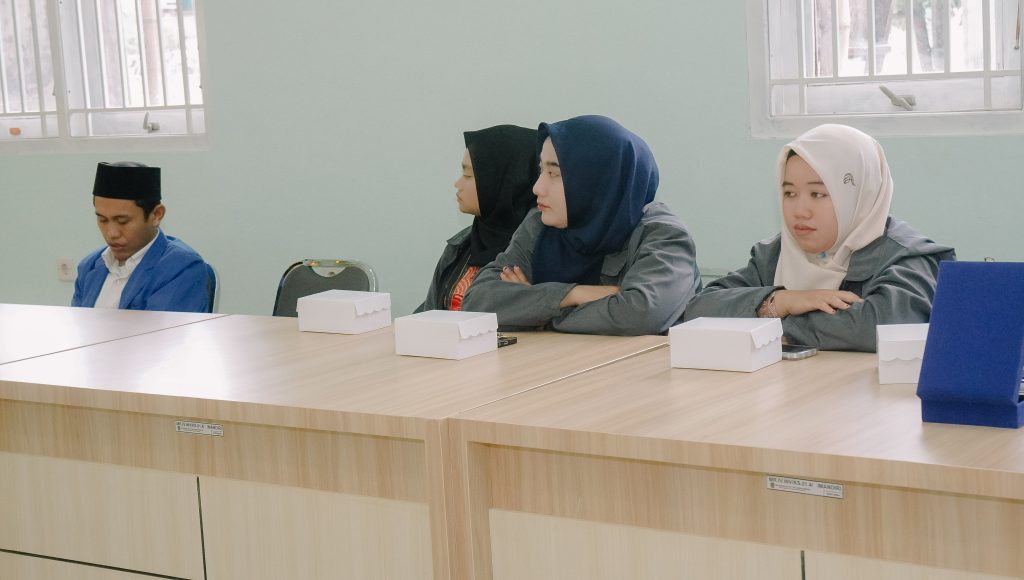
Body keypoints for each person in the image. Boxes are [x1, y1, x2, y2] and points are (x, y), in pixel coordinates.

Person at [684, 124, 955, 352]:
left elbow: (876, 328)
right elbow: (699, 310)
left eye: (818, 194)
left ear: (858, 195)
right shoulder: (776, 254)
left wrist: (773, 323)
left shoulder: (908, 256)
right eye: (790, 193)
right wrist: (781, 301)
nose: (800, 211)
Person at [462, 115, 701, 335]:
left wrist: (533, 312)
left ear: (597, 179)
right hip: (554, 363)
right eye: (540, 170)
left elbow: (639, 315)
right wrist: (574, 294)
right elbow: (476, 303)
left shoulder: (664, 235)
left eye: (554, 174)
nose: (537, 187)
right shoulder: (539, 224)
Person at [415, 125, 538, 312]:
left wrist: (531, 304)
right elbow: (430, 313)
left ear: (504, 182)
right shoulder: (460, 246)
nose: (458, 184)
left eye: (468, 175)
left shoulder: (540, 252)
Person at [72, 162, 213, 313]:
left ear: (156, 215)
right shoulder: (89, 265)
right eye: (103, 220)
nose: (111, 233)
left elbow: (163, 329)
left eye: (122, 221)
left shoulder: (181, 268)